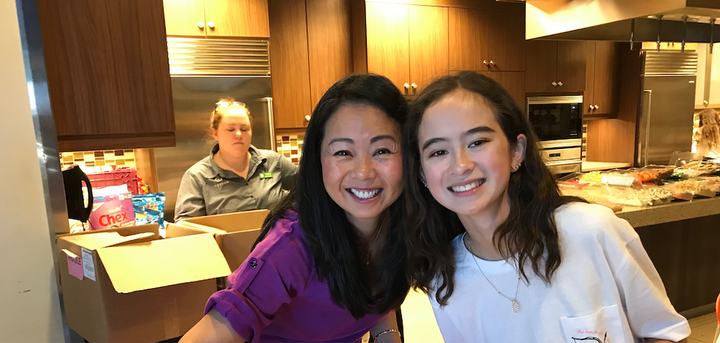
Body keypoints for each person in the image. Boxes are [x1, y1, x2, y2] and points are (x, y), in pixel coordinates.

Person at [403, 71, 690, 343]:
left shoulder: (591, 231)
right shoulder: (444, 278)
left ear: (516, 151)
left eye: (477, 142)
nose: (461, 165)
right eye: (438, 151)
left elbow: (665, 331)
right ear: (422, 174)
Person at [180, 74, 410, 343]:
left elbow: (371, 284)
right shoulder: (291, 248)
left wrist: (387, 334)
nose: (363, 172)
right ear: (318, 161)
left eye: (382, 150)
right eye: (343, 153)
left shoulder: (407, 224)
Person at [174, 99, 297, 222]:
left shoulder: (273, 161)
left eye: (244, 129)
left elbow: (310, 185)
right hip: (224, 242)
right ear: (215, 133)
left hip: (279, 240)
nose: (238, 134)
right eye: (231, 129)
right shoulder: (197, 177)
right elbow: (185, 227)